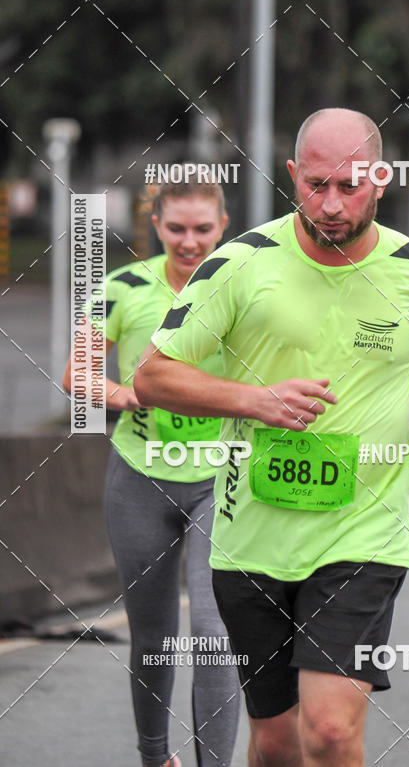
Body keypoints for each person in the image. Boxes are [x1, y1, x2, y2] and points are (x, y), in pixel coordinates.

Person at [134, 108, 409, 767]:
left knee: (328, 731)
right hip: (250, 543)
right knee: (275, 740)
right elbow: (154, 375)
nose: (331, 204)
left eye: (351, 185)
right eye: (316, 184)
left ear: (381, 179)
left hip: (363, 535)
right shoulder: (240, 263)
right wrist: (255, 399)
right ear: (293, 176)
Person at [63, 180, 239, 767]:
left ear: (223, 226)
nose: (190, 242)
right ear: (156, 228)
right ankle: (154, 756)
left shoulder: (243, 287)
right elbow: (75, 376)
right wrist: (122, 394)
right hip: (139, 476)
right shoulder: (120, 288)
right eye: (177, 229)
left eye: (203, 230)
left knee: (216, 638)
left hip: (221, 479)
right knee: (155, 641)